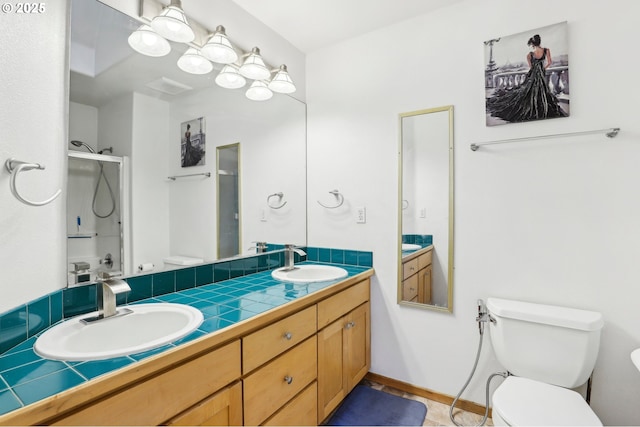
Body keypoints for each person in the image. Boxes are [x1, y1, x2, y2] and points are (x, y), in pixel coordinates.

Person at [486, 34, 567, 123]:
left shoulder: (529, 55)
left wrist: (537, 69)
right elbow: (549, 62)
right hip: (540, 75)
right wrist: (543, 69)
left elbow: (531, 67)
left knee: (528, 92)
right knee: (541, 91)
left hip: (533, 75)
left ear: (532, 43)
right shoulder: (546, 50)